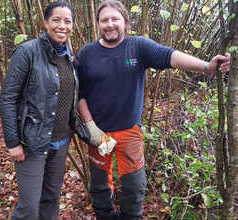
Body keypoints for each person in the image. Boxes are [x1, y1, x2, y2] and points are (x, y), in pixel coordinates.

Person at [77, 1, 231, 219]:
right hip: (98, 134)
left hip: (129, 131)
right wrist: (91, 127)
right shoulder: (87, 53)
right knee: (100, 185)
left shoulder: (137, 46)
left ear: (125, 22)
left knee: (134, 186)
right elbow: (80, 94)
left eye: (115, 19)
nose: (110, 24)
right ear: (98, 24)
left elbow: (170, 57)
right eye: (104, 20)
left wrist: (206, 67)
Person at [0, 1, 86, 219]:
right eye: (56, 20)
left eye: (67, 21)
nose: (62, 26)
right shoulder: (27, 52)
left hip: (61, 142)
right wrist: (12, 142)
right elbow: (7, 98)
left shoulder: (70, 57)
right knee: (28, 206)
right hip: (31, 143)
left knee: (51, 199)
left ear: (73, 26)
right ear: (46, 22)